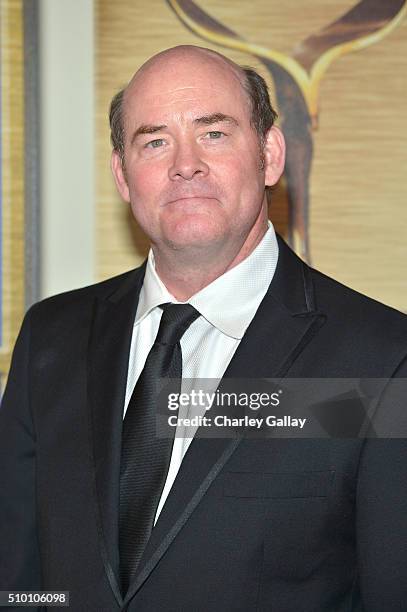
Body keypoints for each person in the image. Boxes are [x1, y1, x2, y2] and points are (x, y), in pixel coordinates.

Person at [1, 45, 407, 612]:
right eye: (155, 140)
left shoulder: (382, 361)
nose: (184, 164)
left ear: (270, 155)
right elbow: (18, 581)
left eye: (213, 133)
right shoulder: (51, 338)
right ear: (123, 175)